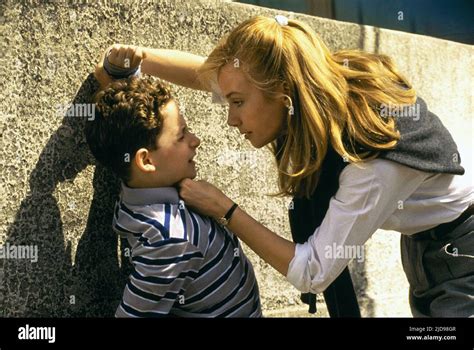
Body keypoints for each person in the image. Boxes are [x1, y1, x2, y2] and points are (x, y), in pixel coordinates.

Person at [94, 15, 473, 317]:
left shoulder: (371, 158)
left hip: (462, 246)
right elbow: (213, 76)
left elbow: (314, 272)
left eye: (237, 103)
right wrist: (138, 58)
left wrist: (225, 209)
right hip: (424, 242)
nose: (230, 119)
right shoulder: (312, 90)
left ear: (282, 94)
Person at [85, 76, 261, 317]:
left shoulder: (138, 187)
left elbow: (124, 127)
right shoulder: (170, 238)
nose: (195, 141)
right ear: (146, 161)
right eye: (181, 135)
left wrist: (113, 75)